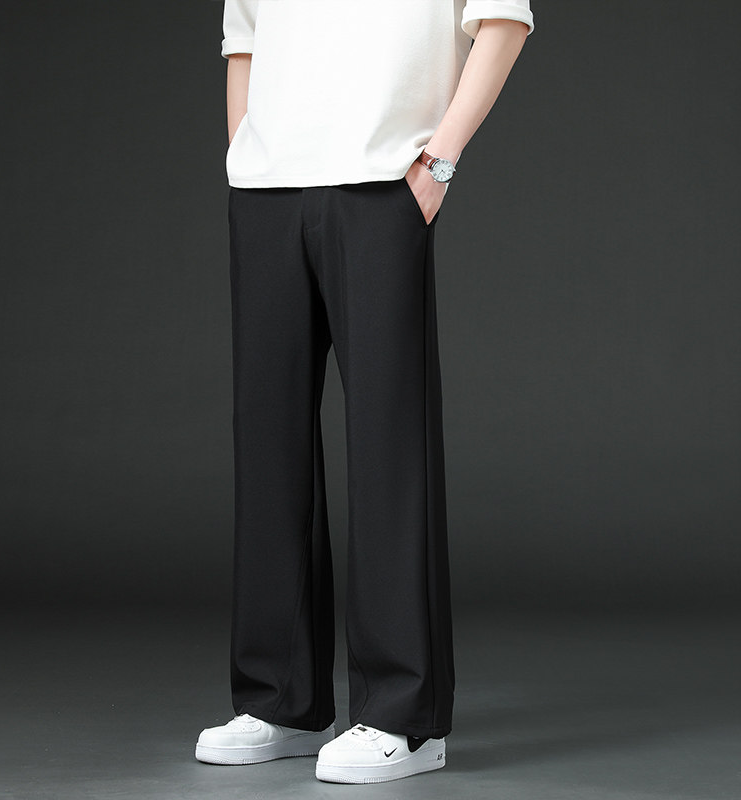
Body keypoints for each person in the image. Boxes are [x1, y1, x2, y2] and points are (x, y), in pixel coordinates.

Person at [195, 0, 534, 785]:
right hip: (266, 192)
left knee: (389, 444)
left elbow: (505, 19)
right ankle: (279, 700)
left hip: (384, 183)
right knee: (269, 443)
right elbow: (244, 42)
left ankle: (405, 717)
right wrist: (247, 155)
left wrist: (439, 164)